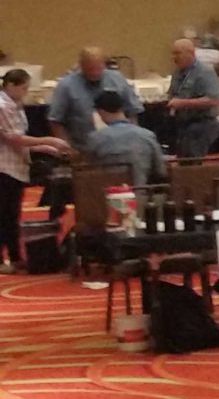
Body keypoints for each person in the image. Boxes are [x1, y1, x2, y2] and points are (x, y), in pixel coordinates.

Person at [0, 69, 72, 271]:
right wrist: (47, 140)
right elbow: (13, 139)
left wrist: (46, 148)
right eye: (24, 88)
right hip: (4, 166)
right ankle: (7, 258)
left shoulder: (15, 105)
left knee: (11, 215)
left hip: (15, 164)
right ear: (11, 86)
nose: (26, 92)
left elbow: (18, 141)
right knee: (5, 214)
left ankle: (14, 257)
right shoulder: (3, 106)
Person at [47, 48, 139, 151]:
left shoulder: (117, 79)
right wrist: (67, 149)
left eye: (98, 68)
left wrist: (132, 141)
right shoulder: (66, 85)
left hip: (119, 148)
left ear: (104, 65)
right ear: (81, 66)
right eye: (90, 69)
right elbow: (55, 121)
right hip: (81, 147)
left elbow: (133, 111)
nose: (95, 73)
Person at [84, 91, 164, 186]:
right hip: (140, 195)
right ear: (122, 108)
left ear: (101, 112)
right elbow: (161, 171)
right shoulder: (148, 135)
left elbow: (88, 172)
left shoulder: (95, 138)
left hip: (107, 196)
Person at [164, 38, 219, 159]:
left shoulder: (205, 72)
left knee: (195, 164)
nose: (174, 57)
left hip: (202, 127)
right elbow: (173, 94)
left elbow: (212, 100)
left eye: (178, 53)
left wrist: (183, 104)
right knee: (183, 163)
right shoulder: (177, 73)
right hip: (183, 127)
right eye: (173, 53)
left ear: (190, 53)